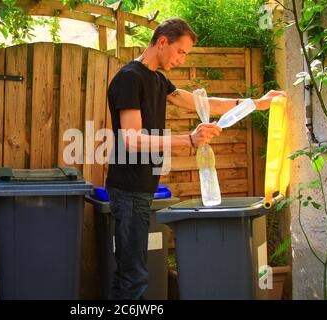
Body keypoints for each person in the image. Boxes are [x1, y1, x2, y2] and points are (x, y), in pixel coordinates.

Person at [105, 17, 286, 300]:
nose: (182, 59)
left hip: (141, 186)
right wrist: (189, 140)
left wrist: (257, 103)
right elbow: (131, 138)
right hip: (128, 189)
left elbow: (205, 103)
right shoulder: (130, 78)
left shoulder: (157, 79)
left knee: (132, 272)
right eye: (181, 52)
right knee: (133, 276)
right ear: (163, 41)